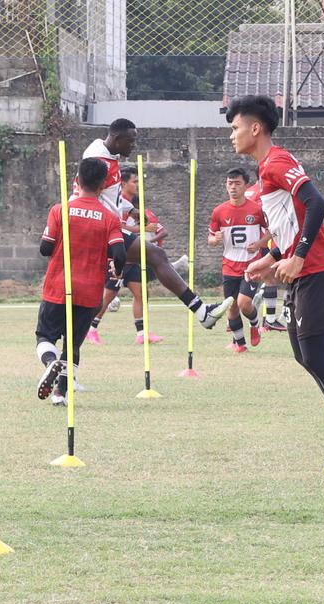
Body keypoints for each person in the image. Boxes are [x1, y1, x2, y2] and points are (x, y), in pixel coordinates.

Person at [227, 94, 324, 481]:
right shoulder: (264, 173)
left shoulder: (278, 161)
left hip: (318, 269)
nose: (232, 135)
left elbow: (317, 203)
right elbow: (289, 225)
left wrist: (298, 256)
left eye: (235, 127)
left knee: (316, 355)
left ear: (255, 128)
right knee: (304, 355)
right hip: (300, 272)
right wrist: (274, 254)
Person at [76, 118, 232, 330]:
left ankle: (202, 312)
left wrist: (131, 210)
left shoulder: (109, 157)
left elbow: (108, 196)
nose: (133, 146)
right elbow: (86, 194)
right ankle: (201, 312)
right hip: (96, 229)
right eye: (130, 141)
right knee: (149, 259)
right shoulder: (97, 159)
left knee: (150, 259)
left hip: (105, 228)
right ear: (116, 138)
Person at [35, 157, 127, 405]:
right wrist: (116, 272)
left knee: (45, 336)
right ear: (102, 187)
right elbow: (119, 253)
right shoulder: (109, 218)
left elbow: (45, 248)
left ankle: (49, 362)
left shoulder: (59, 210)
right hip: (89, 293)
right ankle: (59, 395)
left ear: (77, 181)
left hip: (58, 287)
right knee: (73, 344)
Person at [86, 165, 167, 345]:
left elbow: (159, 230)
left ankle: (141, 334)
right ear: (123, 183)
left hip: (133, 260)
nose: (138, 185)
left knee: (141, 294)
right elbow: (117, 228)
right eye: (135, 181)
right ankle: (90, 329)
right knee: (106, 298)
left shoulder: (135, 206)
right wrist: (142, 229)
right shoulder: (117, 202)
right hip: (117, 258)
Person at [207, 167, 268, 352]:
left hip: (251, 265)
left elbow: (272, 231)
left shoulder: (256, 210)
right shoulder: (219, 211)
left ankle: (255, 324)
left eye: (237, 183)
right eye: (230, 183)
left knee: (243, 303)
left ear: (246, 186)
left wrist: (259, 244)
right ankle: (241, 345)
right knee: (231, 308)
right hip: (229, 266)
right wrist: (214, 240)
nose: (233, 187)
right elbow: (210, 239)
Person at [245, 178, 287, 332]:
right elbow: (269, 217)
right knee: (272, 278)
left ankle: (266, 316)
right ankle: (269, 319)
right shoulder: (264, 192)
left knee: (267, 277)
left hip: (248, 242)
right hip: (263, 240)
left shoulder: (249, 191)